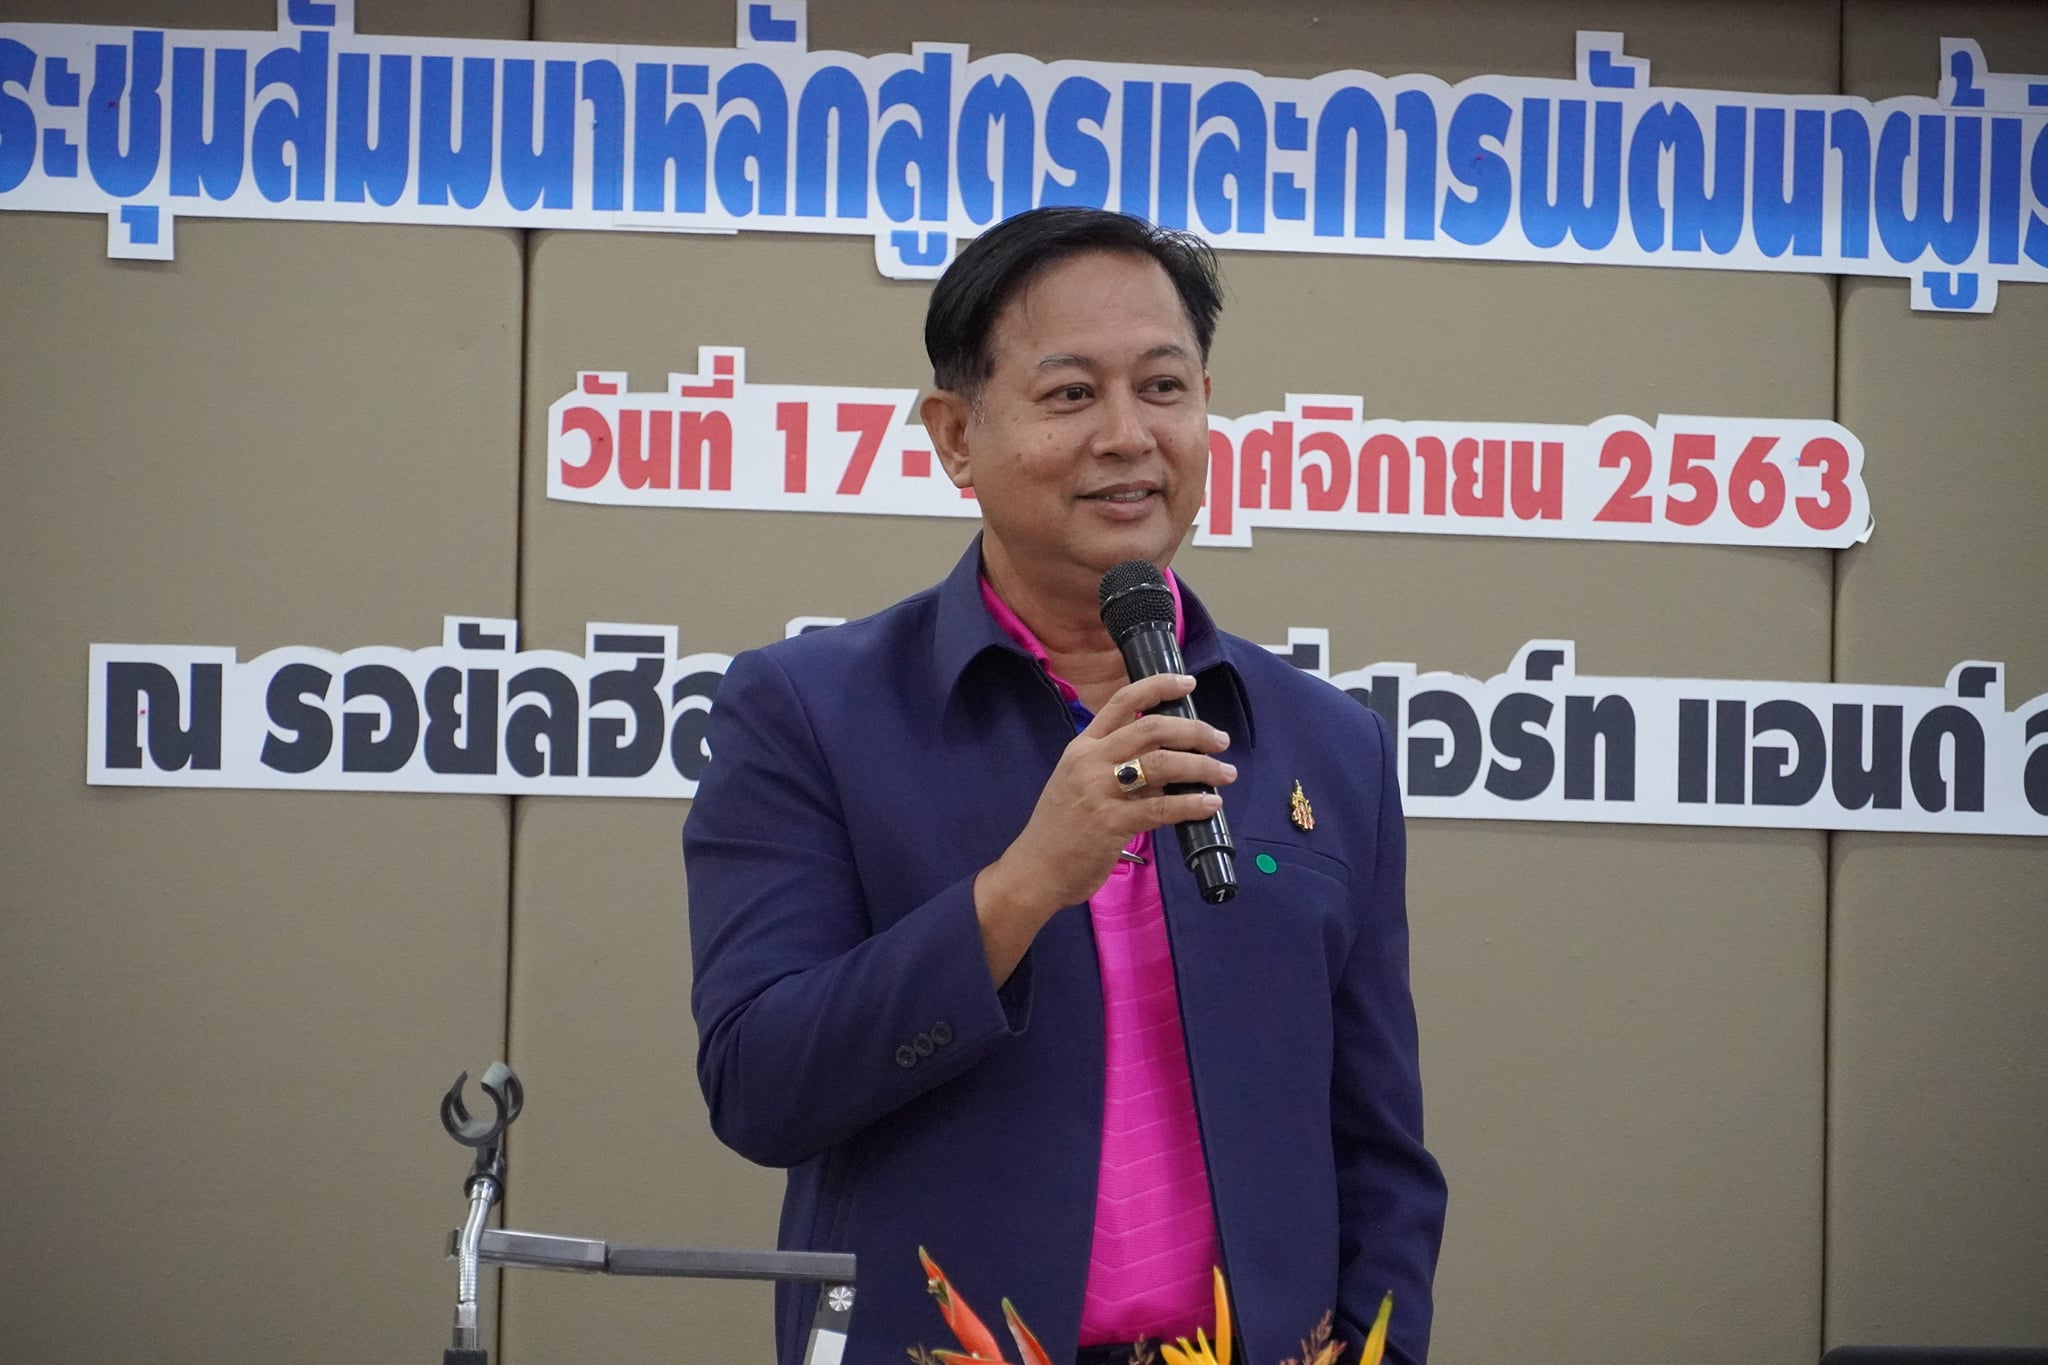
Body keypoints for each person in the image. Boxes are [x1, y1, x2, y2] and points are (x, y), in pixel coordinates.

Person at [685, 207, 1446, 1365]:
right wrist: (1021, 888)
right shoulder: (811, 713)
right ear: (954, 435)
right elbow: (760, 1086)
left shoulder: (1327, 746)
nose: (1127, 436)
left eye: (1162, 388)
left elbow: (1380, 1155)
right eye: (1070, 394)